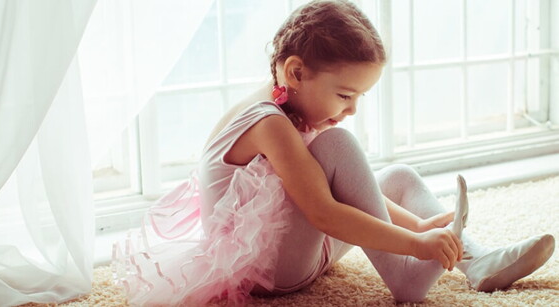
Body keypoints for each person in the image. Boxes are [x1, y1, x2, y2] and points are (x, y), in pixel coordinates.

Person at [112, 1, 556, 305]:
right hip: (270, 271)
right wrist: (415, 245)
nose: (352, 109)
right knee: (338, 145)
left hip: (300, 249)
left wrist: (418, 225)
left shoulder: (290, 102)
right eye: (345, 95)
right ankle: (407, 277)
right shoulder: (267, 121)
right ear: (296, 71)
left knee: (398, 176)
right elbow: (324, 211)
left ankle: (475, 259)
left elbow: (338, 194)